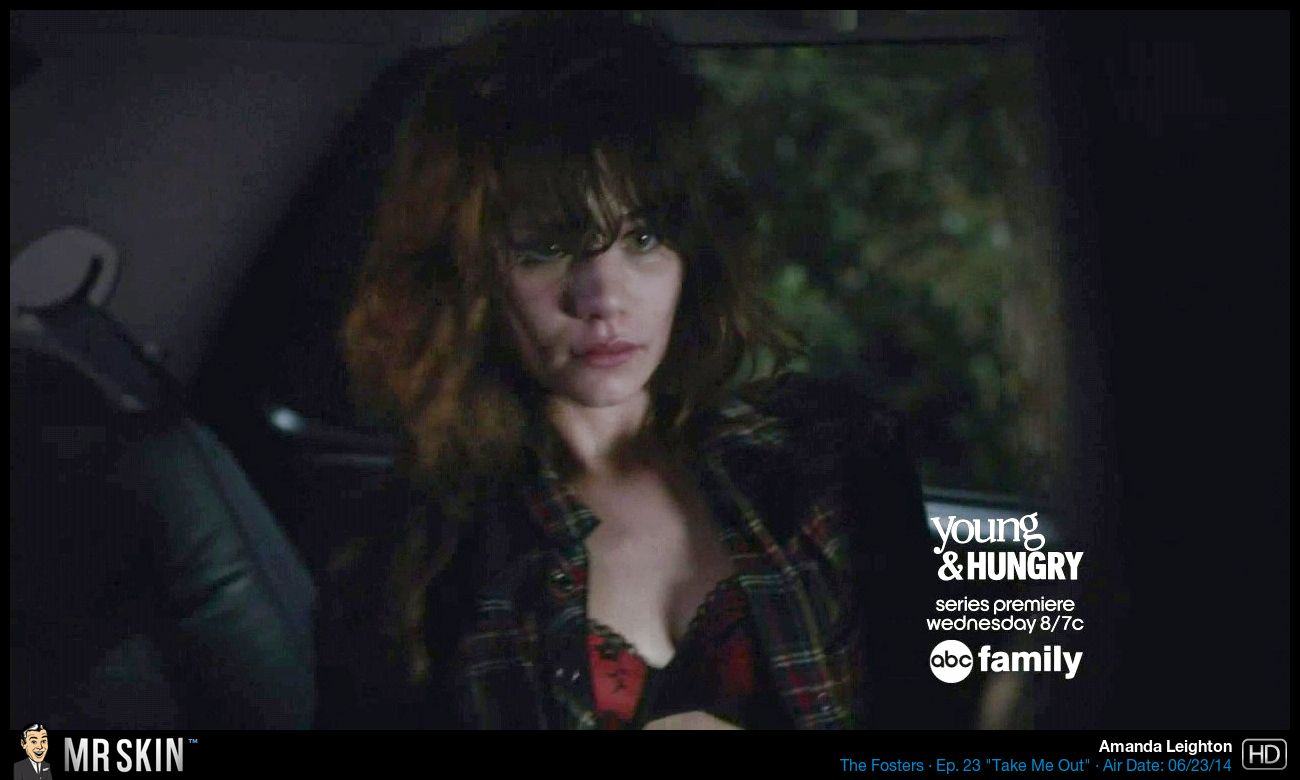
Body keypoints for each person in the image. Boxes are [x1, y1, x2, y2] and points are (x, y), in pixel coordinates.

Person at [327, 10, 963, 730]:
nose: (603, 299)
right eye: (546, 248)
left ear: (694, 254)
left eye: (644, 238)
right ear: (468, 273)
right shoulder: (412, 555)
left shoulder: (834, 457)